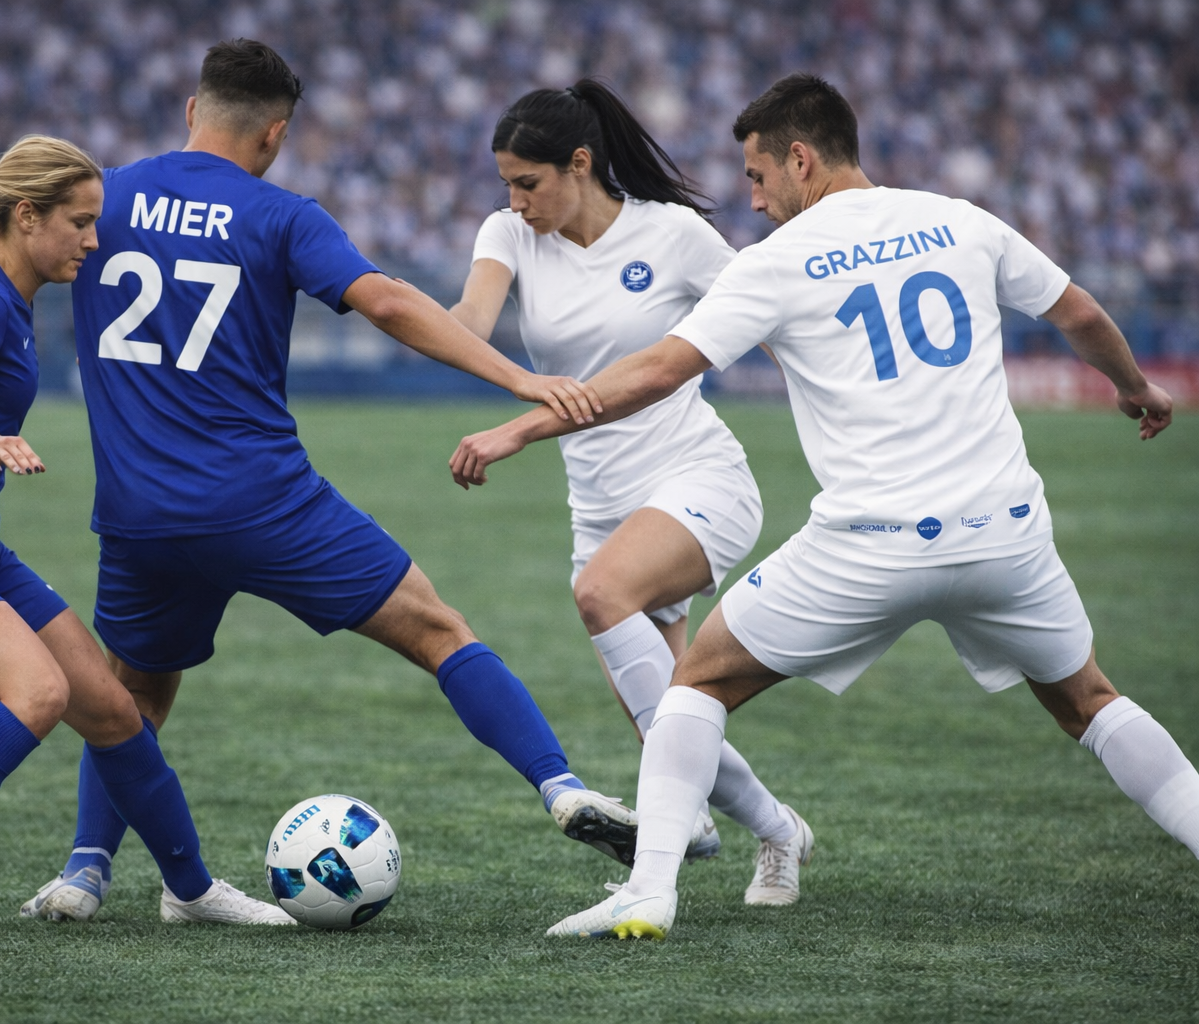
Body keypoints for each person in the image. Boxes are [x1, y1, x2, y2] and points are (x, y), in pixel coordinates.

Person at [448, 73, 1195, 940]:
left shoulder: (775, 263)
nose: (755, 203)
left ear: (800, 159)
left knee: (696, 684)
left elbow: (656, 371)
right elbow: (1081, 312)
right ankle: (763, 835)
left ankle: (651, 890)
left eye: (760, 179)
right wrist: (1136, 388)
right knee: (1090, 701)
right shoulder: (962, 219)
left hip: (866, 543)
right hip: (1005, 536)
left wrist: (517, 431)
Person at [19, 39, 632, 924]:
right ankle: (561, 787)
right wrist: (521, 378)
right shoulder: (280, 213)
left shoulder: (97, 196)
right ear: (274, 134)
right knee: (438, 631)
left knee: (132, 699)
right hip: (264, 500)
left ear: (192, 111)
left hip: (140, 512)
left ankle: (84, 875)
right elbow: (384, 300)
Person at [0, 134, 296, 944]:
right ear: (26, 216)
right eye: (81, 223)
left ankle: (189, 888)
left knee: (113, 711)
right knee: (40, 695)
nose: (93, 239)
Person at [445, 79, 811, 906]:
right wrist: (391, 309)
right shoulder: (509, 232)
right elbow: (470, 317)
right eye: (505, 182)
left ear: (580, 164)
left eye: (528, 181)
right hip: (601, 508)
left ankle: (679, 841)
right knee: (681, 716)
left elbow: (773, 320)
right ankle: (779, 832)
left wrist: (842, 414)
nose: (514, 199)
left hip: (697, 479)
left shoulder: (675, 235)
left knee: (601, 593)